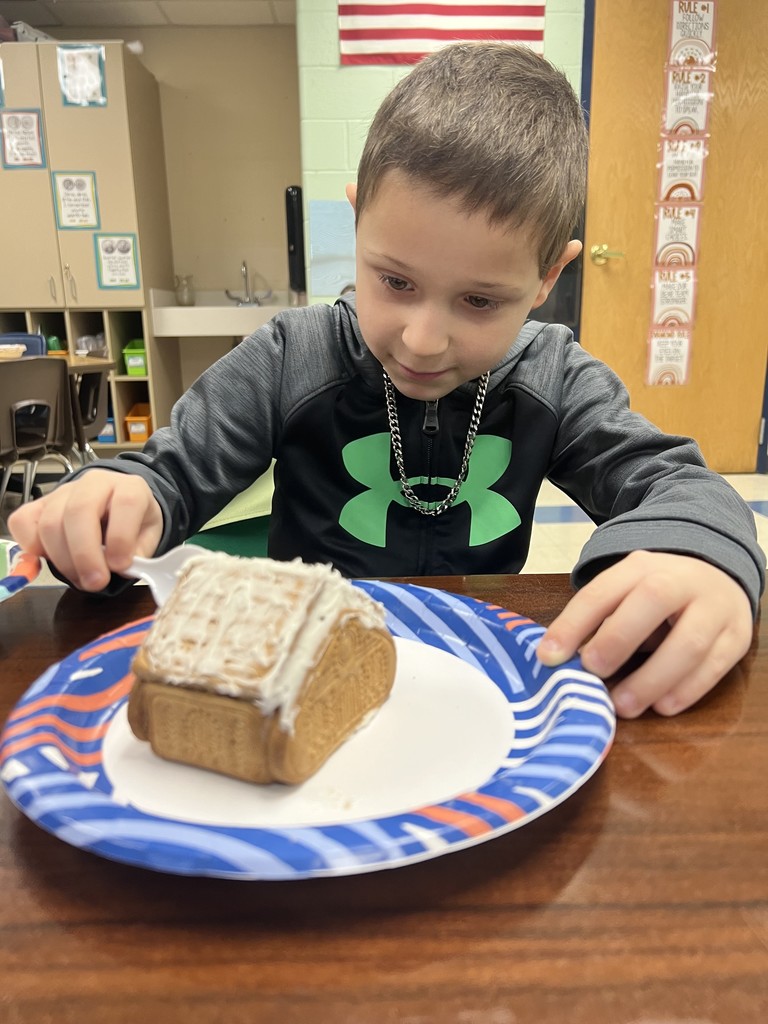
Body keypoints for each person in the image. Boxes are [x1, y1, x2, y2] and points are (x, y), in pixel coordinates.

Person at [9, 43, 763, 720]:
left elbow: (678, 486)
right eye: (395, 280)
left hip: (473, 684)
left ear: (547, 277)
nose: (424, 339)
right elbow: (168, 477)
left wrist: (700, 553)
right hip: (297, 677)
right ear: (358, 223)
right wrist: (116, 506)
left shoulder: (557, 377)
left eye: (479, 300)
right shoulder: (289, 356)